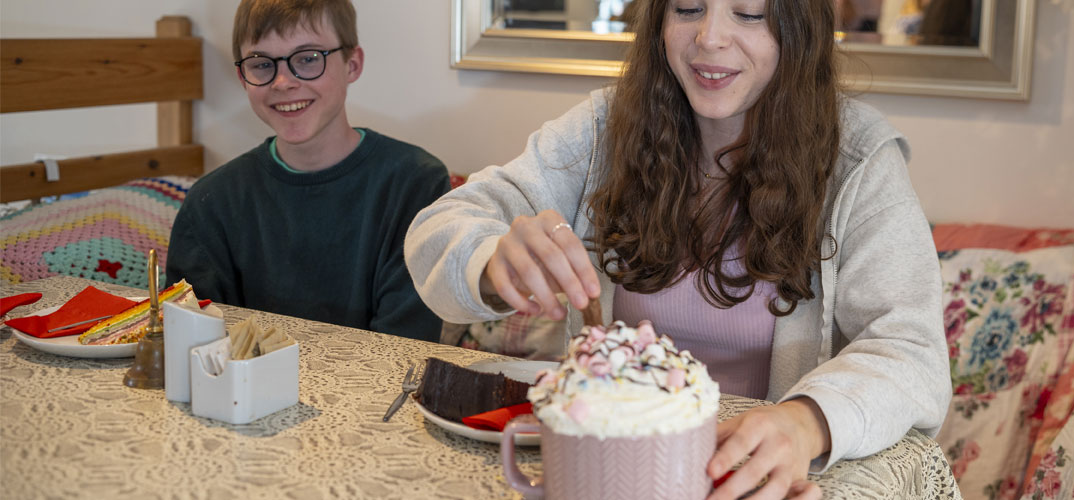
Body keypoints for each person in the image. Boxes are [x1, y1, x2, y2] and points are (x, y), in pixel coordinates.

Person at [405, 0, 950, 498]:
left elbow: (912, 350)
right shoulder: (602, 129)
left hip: (758, 477)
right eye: (688, 8)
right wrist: (492, 257)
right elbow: (440, 228)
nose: (710, 38)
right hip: (612, 473)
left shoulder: (858, 160)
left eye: (750, 14)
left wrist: (806, 421)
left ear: (799, 29)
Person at [167, 0, 449, 342]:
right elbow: (196, 348)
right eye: (261, 64)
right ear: (243, 76)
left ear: (352, 64)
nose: (283, 82)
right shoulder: (210, 203)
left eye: (308, 59)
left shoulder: (416, 183)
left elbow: (405, 349)